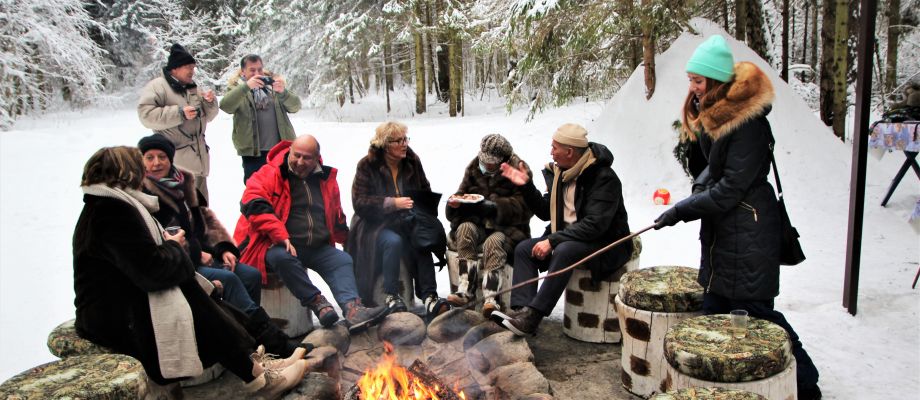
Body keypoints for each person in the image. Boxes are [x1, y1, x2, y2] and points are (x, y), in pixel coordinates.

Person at [653, 35, 821, 399]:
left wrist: (683, 209)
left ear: (715, 81)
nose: (692, 87)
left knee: (756, 318)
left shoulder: (746, 122)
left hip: (749, 231)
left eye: (698, 80)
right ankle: (721, 389)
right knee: (715, 311)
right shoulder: (717, 114)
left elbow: (731, 188)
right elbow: (715, 170)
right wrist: (697, 188)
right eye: (690, 79)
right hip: (726, 232)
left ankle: (805, 382)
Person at [73, 146, 306, 398]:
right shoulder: (111, 213)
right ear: (127, 173)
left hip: (127, 299)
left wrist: (199, 248)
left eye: (160, 157)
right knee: (194, 296)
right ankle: (256, 375)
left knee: (202, 291)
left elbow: (195, 230)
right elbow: (153, 270)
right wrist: (176, 247)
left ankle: (255, 364)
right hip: (113, 317)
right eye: (143, 164)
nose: (148, 169)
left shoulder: (117, 206)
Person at [137, 134, 299, 357]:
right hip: (174, 264)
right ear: (141, 160)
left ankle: (247, 340)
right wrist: (195, 253)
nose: (156, 163)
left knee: (249, 274)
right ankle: (275, 344)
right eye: (150, 157)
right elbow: (155, 239)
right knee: (230, 280)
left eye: (162, 157)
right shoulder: (141, 195)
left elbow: (206, 221)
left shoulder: (184, 183)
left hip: (200, 254)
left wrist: (222, 248)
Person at [235, 135, 386, 333]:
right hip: (276, 244)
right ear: (289, 152)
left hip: (317, 244)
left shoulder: (325, 178)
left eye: (306, 158)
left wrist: (347, 239)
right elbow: (253, 204)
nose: (299, 161)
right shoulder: (269, 173)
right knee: (281, 257)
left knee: (342, 260)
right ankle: (318, 303)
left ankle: (352, 310)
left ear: (317, 158)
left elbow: (336, 213)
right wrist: (280, 234)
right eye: (296, 155)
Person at [496, 123, 632, 337]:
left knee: (564, 249)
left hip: (603, 243)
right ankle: (522, 310)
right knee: (524, 249)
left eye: (555, 147)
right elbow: (545, 212)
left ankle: (534, 316)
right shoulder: (561, 174)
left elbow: (595, 225)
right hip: (568, 238)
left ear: (569, 152)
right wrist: (526, 186)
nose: (551, 152)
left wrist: (553, 240)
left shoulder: (603, 178)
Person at [347, 121, 451, 320]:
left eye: (406, 139)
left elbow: (424, 190)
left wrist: (427, 203)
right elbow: (359, 202)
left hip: (407, 219)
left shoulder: (412, 161)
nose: (405, 144)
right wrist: (391, 203)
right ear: (385, 145)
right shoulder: (367, 165)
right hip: (375, 223)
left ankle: (429, 296)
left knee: (422, 240)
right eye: (399, 141)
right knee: (393, 242)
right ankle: (391, 295)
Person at [445, 134, 534, 317]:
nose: (486, 165)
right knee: (464, 229)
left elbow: (527, 208)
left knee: (493, 242)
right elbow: (462, 193)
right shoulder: (474, 166)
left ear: (503, 159)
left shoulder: (518, 169)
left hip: (507, 230)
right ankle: (465, 289)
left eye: (491, 163)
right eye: (484, 161)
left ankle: (491, 298)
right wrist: (455, 203)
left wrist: (496, 207)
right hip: (479, 225)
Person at [138, 43, 217, 202]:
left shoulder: (192, 87)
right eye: (188, 67)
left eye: (193, 67)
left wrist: (210, 102)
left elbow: (209, 116)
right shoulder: (158, 87)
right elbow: (145, 115)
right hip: (175, 164)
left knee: (201, 212)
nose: (192, 71)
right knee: (180, 213)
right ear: (175, 68)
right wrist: (179, 113)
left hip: (199, 162)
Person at [220, 54, 301, 183]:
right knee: (256, 190)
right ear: (243, 72)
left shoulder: (272, 85)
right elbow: (225, 106)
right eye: (252, 70)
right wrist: (246, 87)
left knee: (283, 188)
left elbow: (295, 106)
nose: (257, 73)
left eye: (259, 69)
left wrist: (283, 93)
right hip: (253, 152)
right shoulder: (237, 89)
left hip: (280, 150)